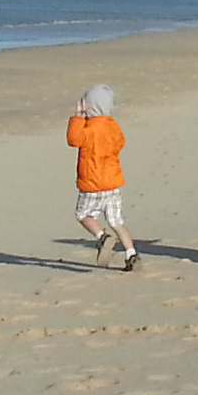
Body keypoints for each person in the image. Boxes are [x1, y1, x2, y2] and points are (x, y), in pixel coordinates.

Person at [67, 83, 139, 269]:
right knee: (117, 221)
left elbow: (73, 140)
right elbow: (120, 143)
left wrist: (78, 116)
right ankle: (131, 254)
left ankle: (102, 236)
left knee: (83, 214)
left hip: (92, 183)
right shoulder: (112, 127)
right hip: (112, 182)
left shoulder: (88, 129)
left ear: (89, 106)